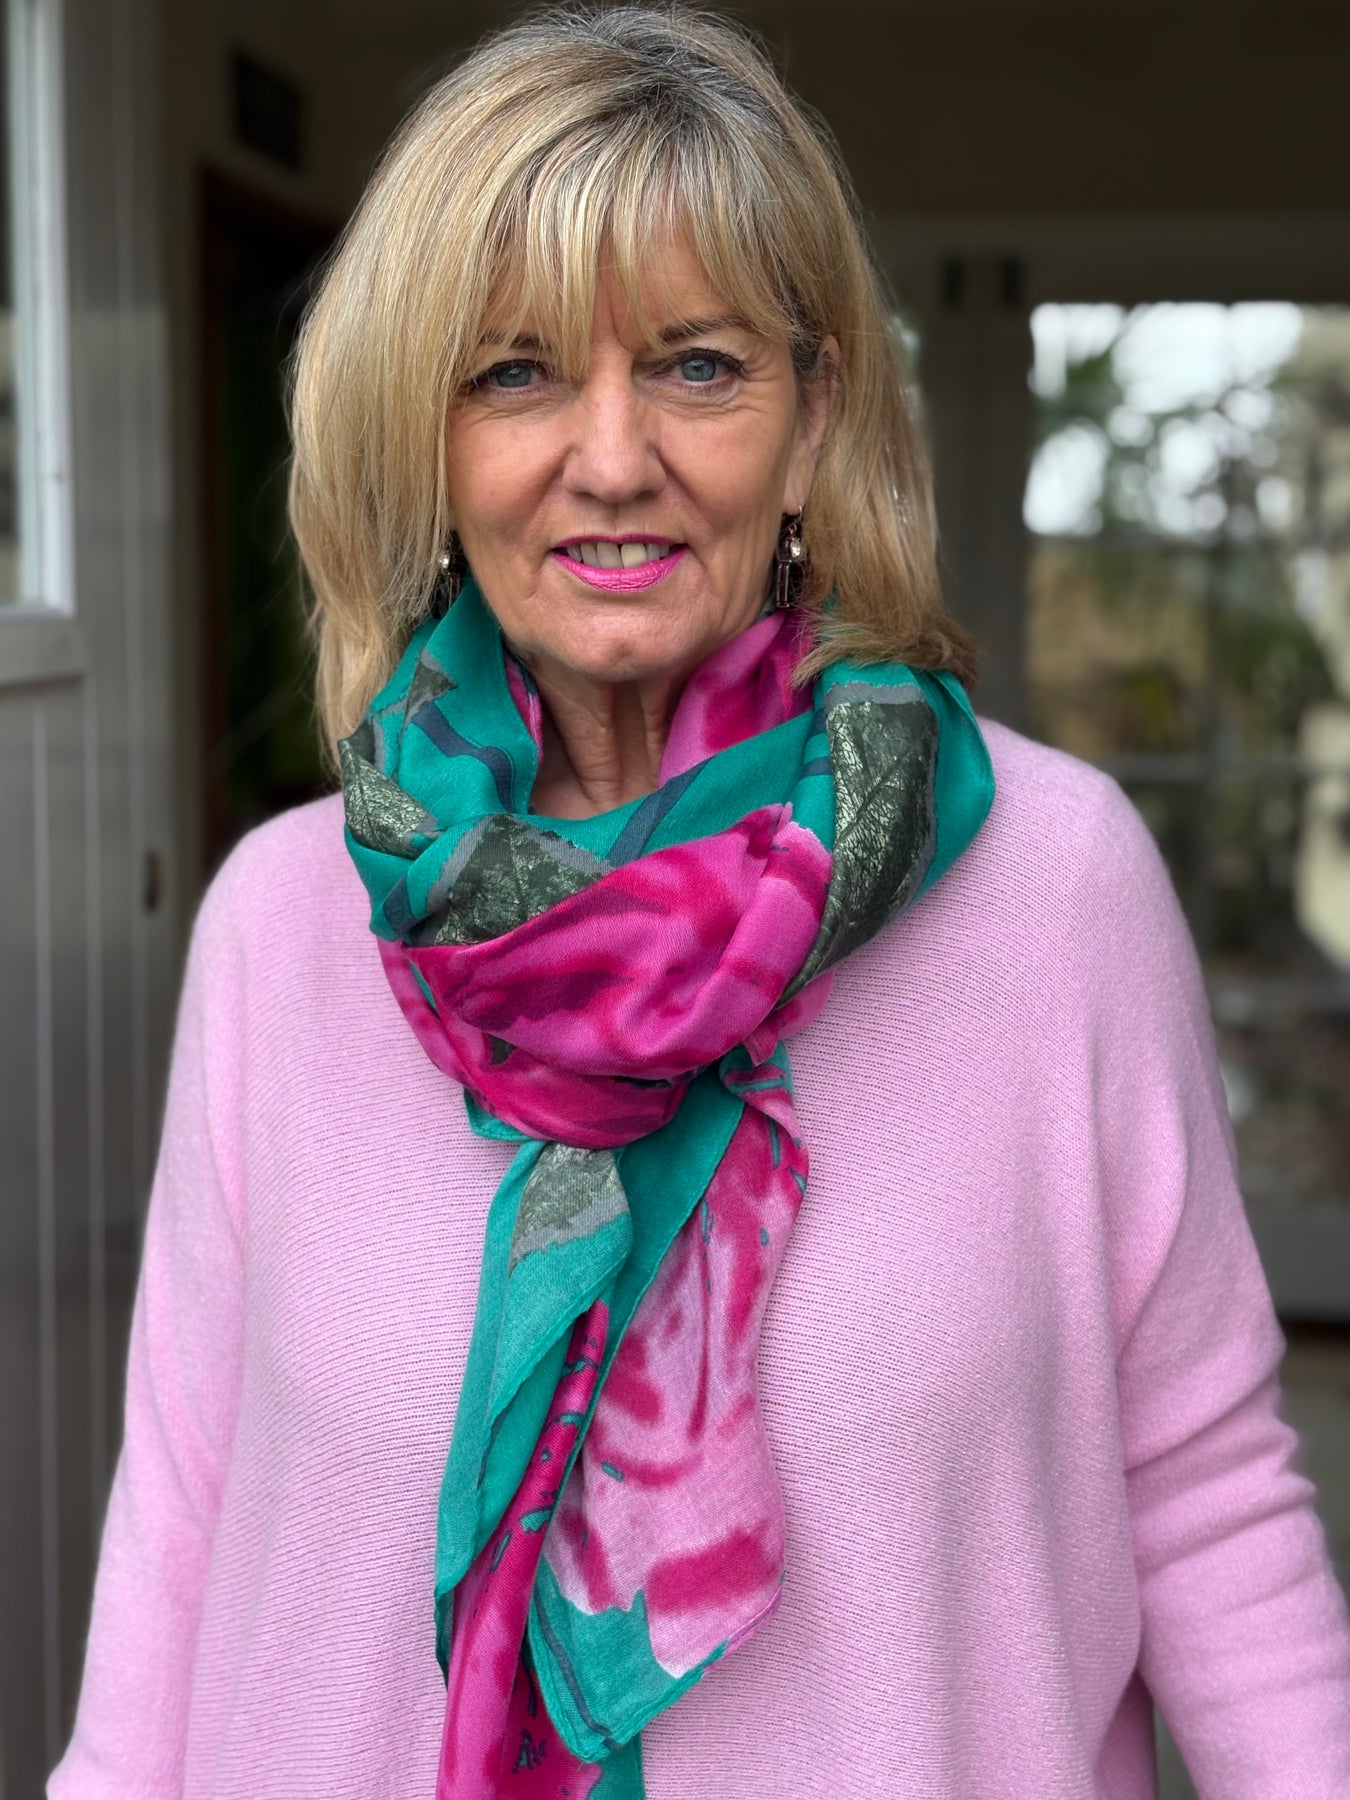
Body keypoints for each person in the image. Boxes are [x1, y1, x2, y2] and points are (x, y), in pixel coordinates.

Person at [50, 7, 1350, 1798]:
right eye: (513, 372)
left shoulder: (1055, 889)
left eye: (695, 366)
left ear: (811, 421)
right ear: (425, 436)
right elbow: (185, 1517)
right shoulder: (280, 926)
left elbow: (1200, 1490)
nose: (610, 457)